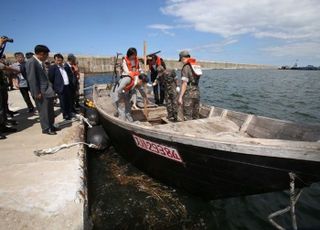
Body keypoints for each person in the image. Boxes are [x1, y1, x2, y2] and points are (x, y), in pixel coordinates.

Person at [26, 45, 57, 135]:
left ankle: (51, 125)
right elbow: (32, 79)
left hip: (47, 91)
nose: (47, 57)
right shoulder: (32, 62)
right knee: (44, 111)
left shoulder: (39, 62)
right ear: (41, 54)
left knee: (50, 110)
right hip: (41, 92)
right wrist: (36, 92)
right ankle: (46, 128)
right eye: (46, 55)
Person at [178, 50, 202, 120]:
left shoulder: (186, 67)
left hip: (188, 93)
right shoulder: (196, 66)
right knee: (196, 114)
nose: (182, 62)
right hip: (197, 92)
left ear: (183, 58)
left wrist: (180, 97)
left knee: (188, 116)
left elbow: (184, 83)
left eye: (181, 60)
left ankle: (188, 130)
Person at [49, 53, 73, 120]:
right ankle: (65, 115)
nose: (59, 61)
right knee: (63, 102)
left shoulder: (65, 67)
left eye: (60, 60)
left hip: (67, 86)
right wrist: (54, 88)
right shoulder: (53, 68)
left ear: (62, 60)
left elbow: (69, 76)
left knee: (68, 101)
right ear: (55, 60)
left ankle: (69, 113)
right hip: (60, 88)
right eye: (57, 60)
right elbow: (51, 78)